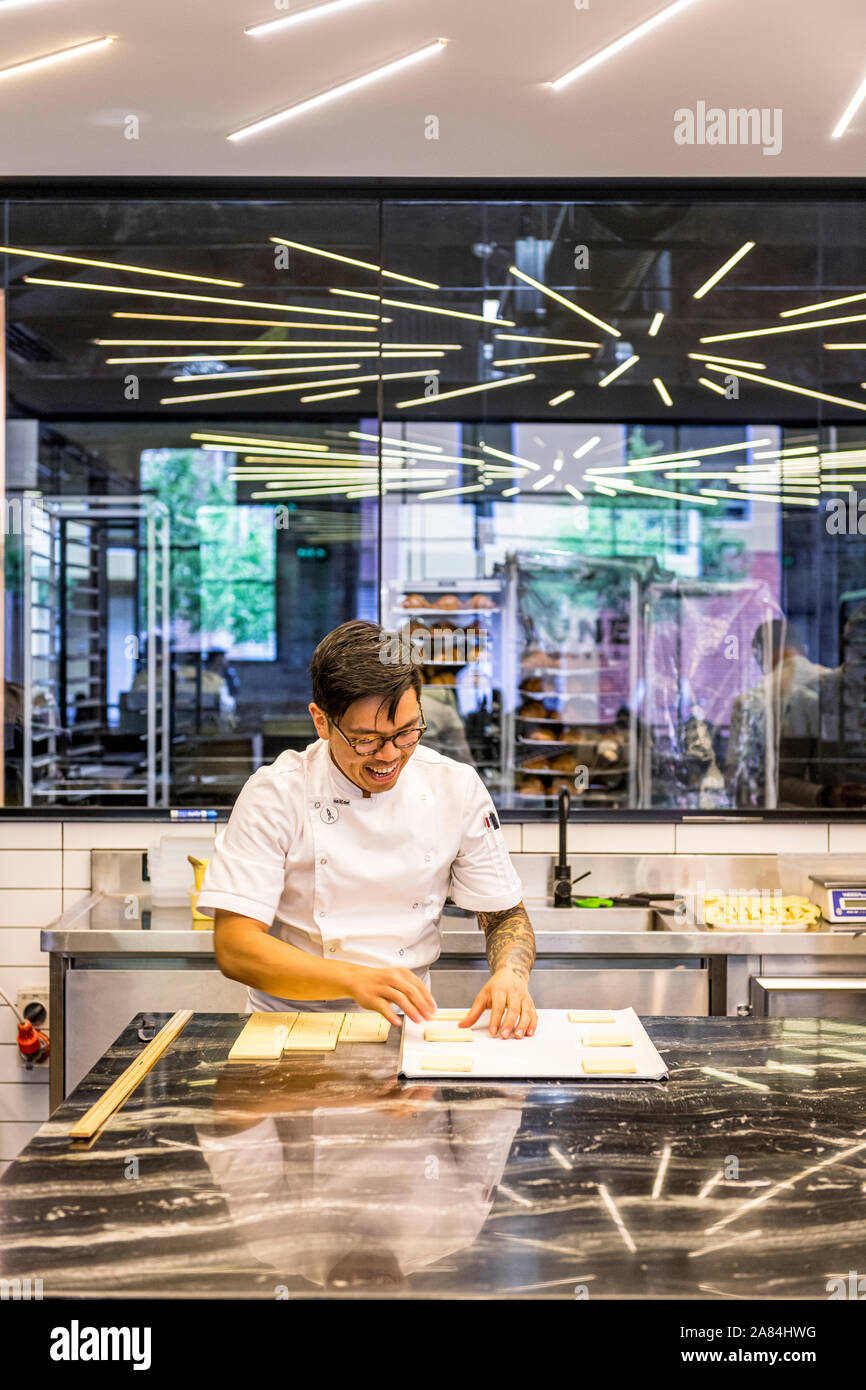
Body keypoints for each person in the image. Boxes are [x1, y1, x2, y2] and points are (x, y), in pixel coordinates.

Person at [197, 620, 537, 1039]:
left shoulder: (454, 786)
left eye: (407, 733)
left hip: (408, 1029)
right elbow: (235, 949)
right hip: (290, 1028)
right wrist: (353, 979)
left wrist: (511, 975)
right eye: (367, 740)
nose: (390, 755)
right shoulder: (276, 793)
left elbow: (504, 915)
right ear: (321, 722)